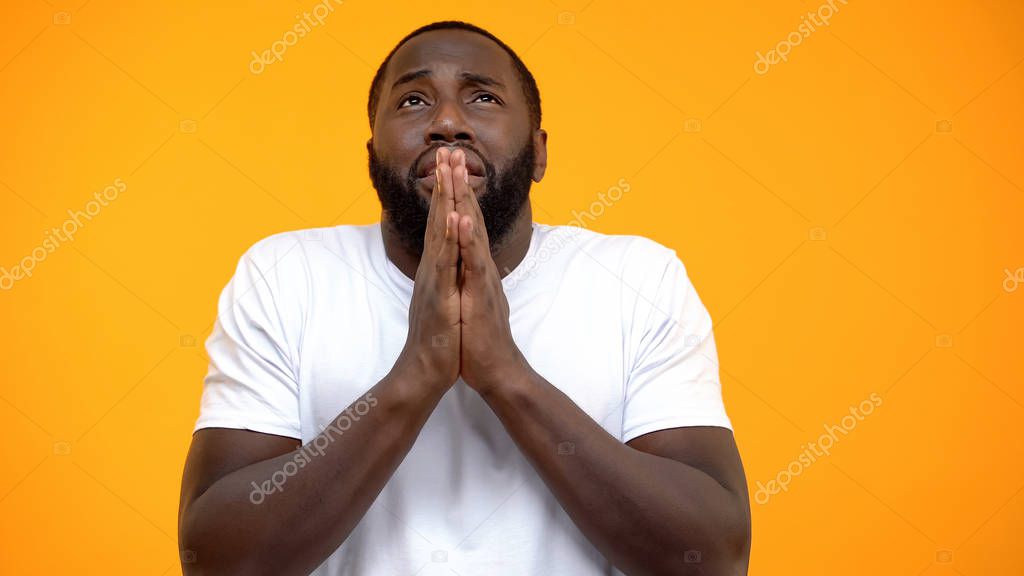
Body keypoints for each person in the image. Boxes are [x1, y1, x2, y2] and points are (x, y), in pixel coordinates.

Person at [178, 20, 750, 576]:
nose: (447, 122)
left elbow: (712, 559)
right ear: (371, 155)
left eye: (481, 97)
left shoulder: (639, 278)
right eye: (412, 102)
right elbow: (219, 563)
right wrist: (417, 374)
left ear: (540, 151)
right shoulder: (283, 275)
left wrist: (505, 374)